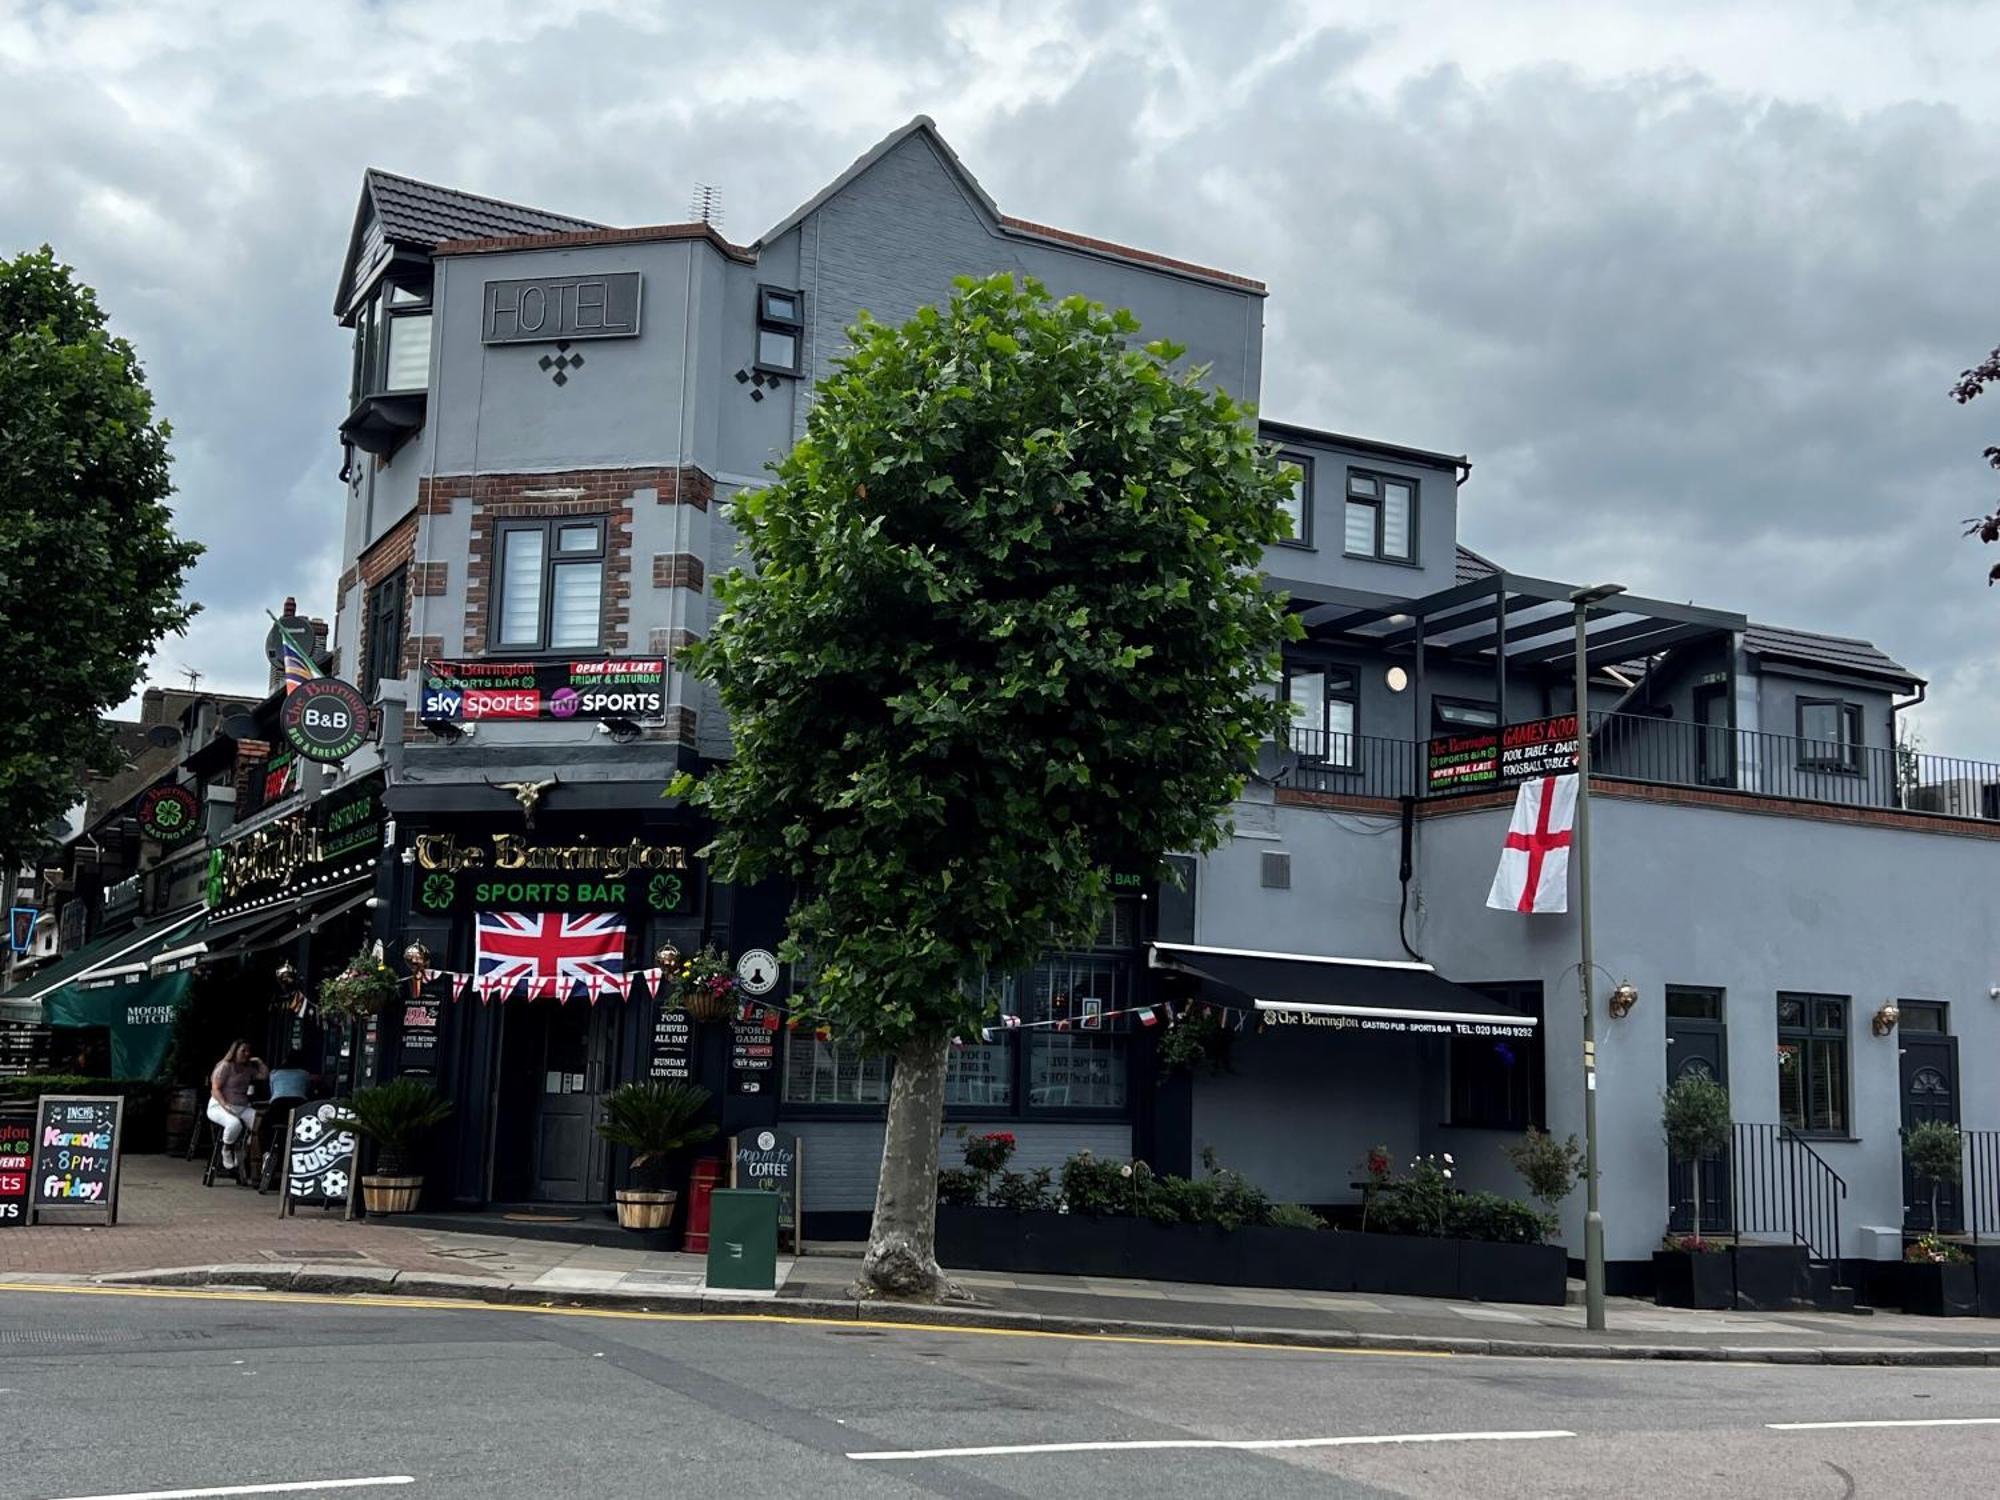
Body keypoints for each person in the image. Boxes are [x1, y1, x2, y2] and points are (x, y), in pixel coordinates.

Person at [207, 1039, 267, 1173]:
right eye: (243, 1050)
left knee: (260, 1123)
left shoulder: (248, 1069)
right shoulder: (225, 1066)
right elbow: (215, 1089)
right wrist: (225, 1105)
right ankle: (227, 1148)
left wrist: (259, 1062)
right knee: (234, 1124)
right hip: (220, 1105)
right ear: (235, 1051)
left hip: (242, 1106)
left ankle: (247, 1148)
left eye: (248, 1051)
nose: (246, 1054)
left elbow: (263, 1076)